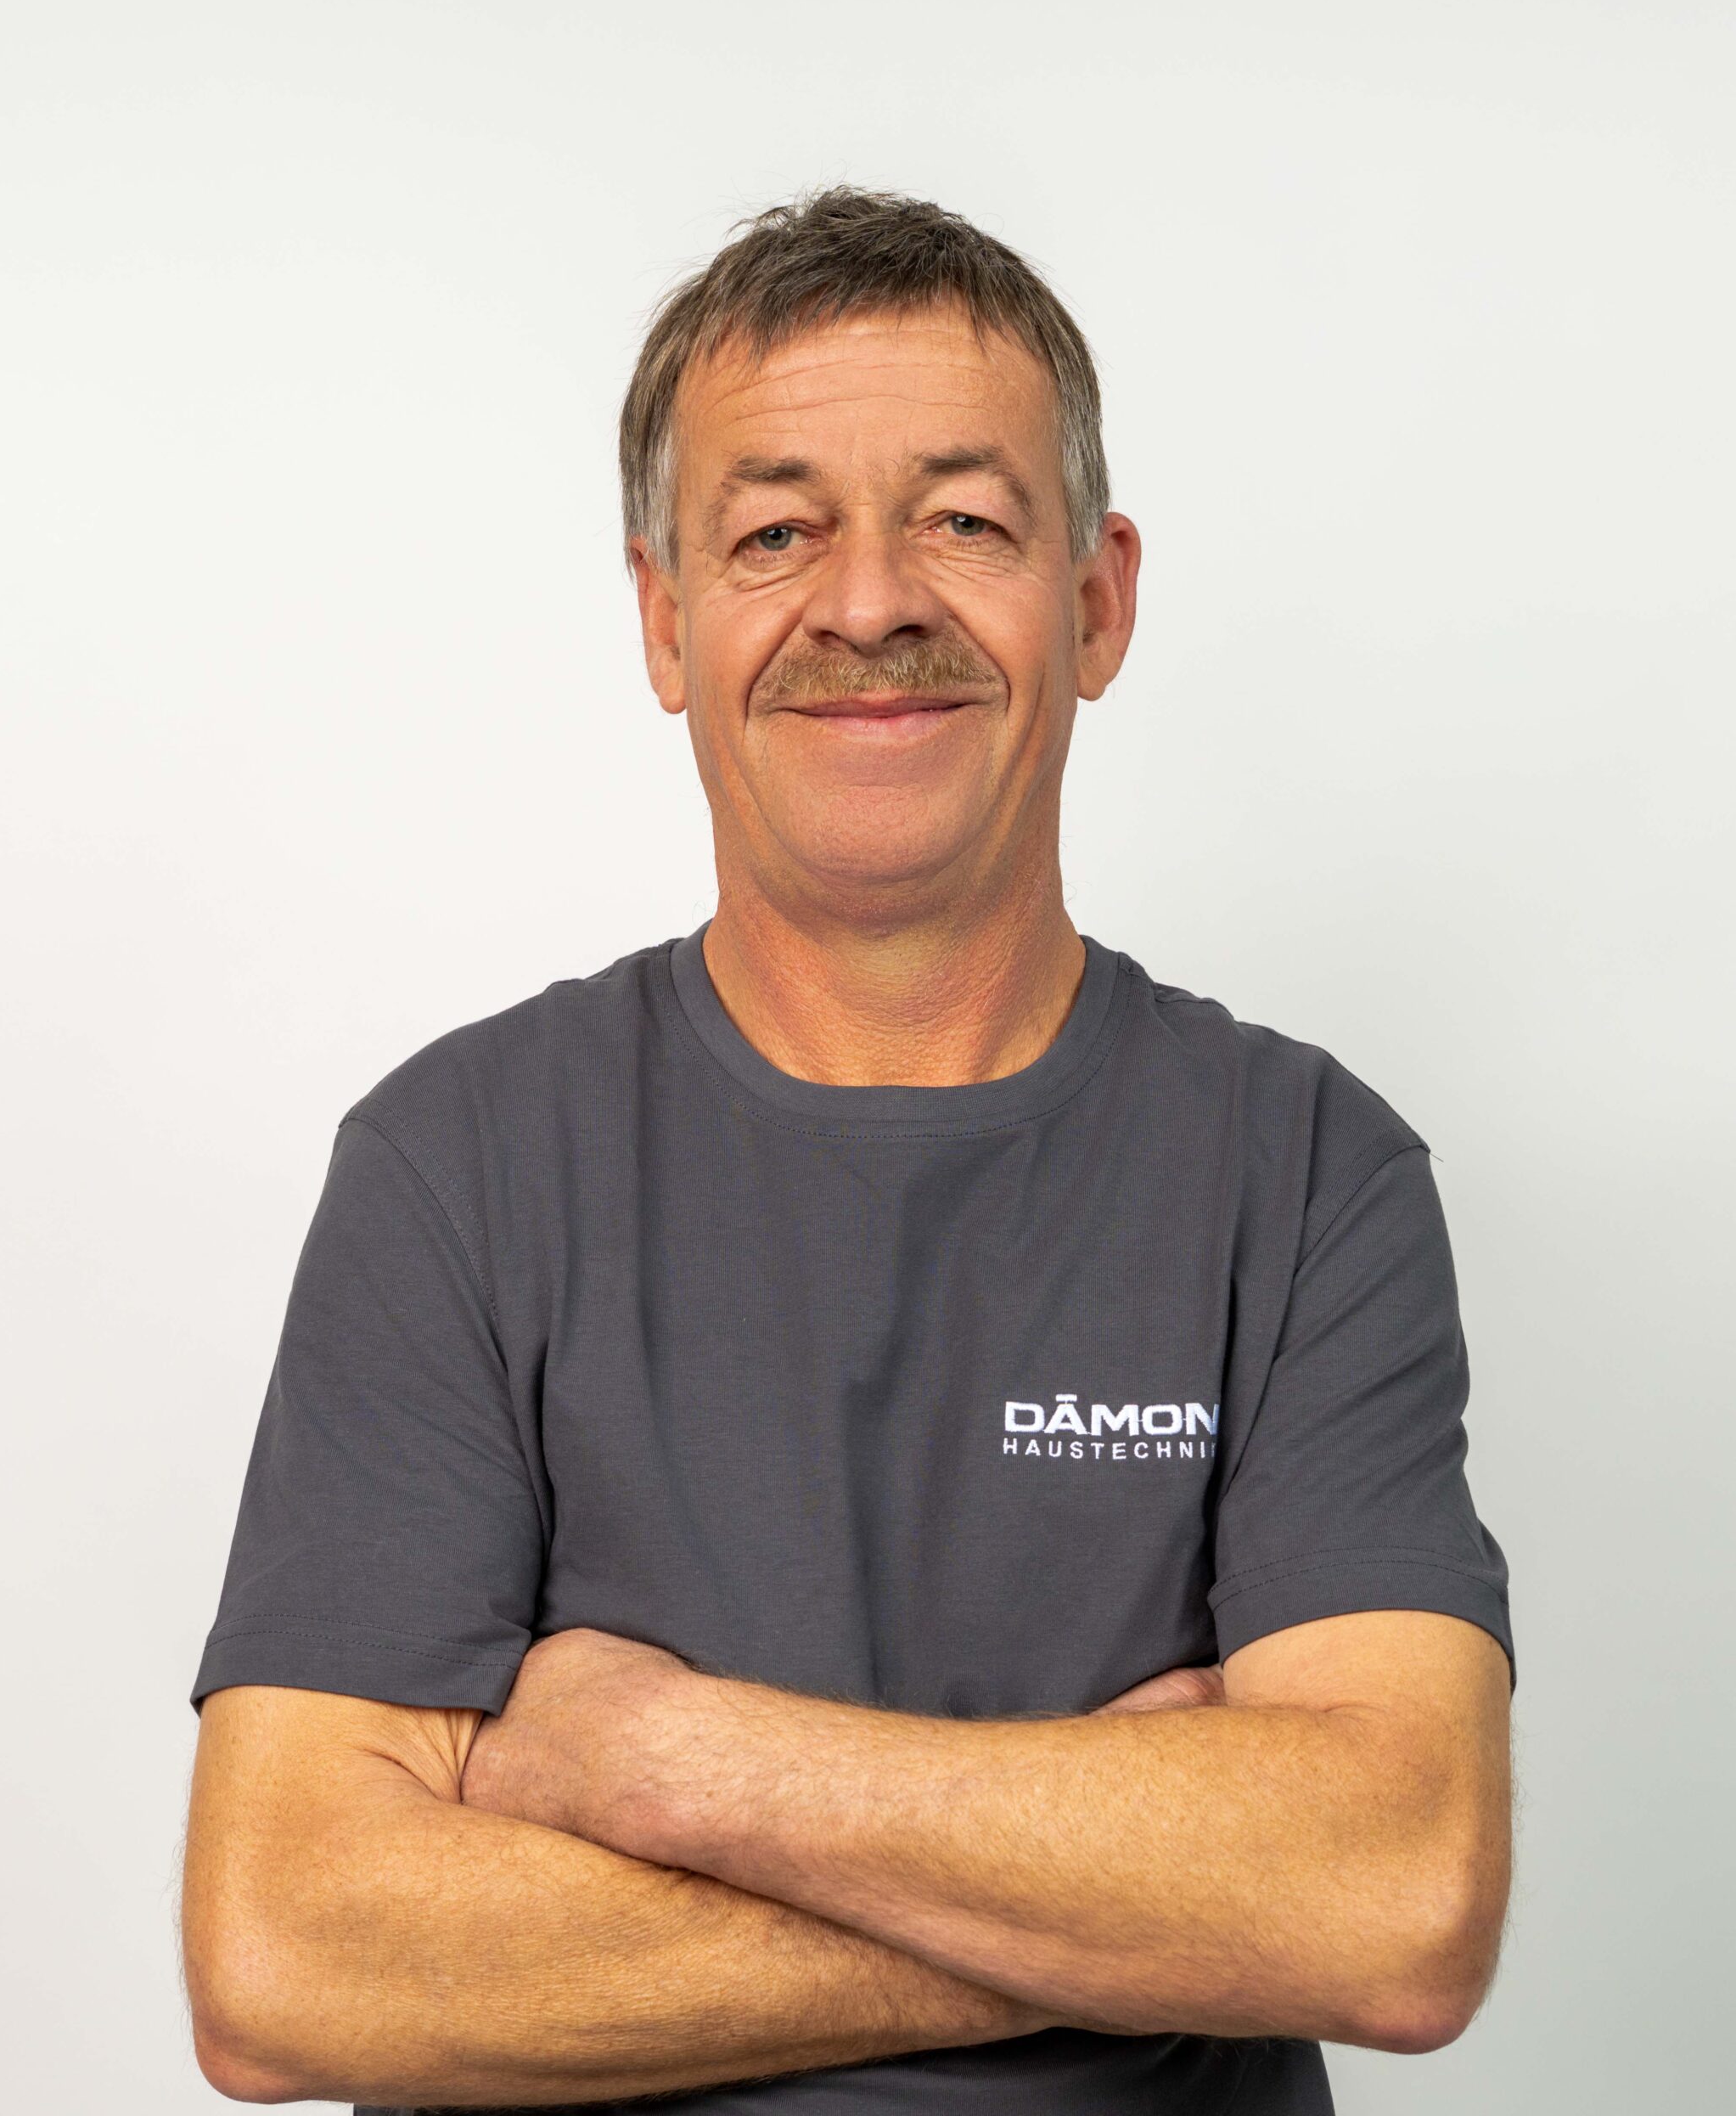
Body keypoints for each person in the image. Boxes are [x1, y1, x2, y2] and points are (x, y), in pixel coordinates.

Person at [182, 187, 1515, 2115]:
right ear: (667, 618)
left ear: (1098, 601)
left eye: (964, 520)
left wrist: (672, 1765)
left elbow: (1392, 1901)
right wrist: (1144, 1910)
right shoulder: (458, 1164)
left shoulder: (1307, 1171)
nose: (871, 602)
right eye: (775, 532)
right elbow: (289, 1962)